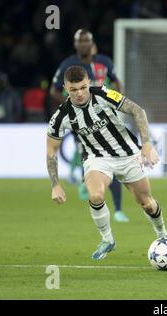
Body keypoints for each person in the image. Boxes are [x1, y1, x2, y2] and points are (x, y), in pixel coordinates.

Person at [47, 65, 167, 260]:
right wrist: (55, 185)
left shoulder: (103, 94)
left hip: (128, 155)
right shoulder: (61, 116)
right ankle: (107, 239)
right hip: (97, 159)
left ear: (89, 83)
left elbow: (138, 111)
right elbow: (52, 150)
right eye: (73, 90)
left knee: (146, 203)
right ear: (65, 88)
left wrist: (146, 144)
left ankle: (163, 235)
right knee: (95, 196)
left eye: (83, 87)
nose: (79, 93)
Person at [49, 29, 129, 223]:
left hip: (106, 119)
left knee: (113, 158)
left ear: (92, 43)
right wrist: (69, 107)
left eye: (87, 41)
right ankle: (86, 180)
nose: (84, 44)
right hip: (82, 120)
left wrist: (115, 103)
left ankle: (117, 208)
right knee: (95, 156)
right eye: (80, 41)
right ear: (76, 44)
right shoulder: (68, 64)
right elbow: (53, 90)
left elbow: (118, 83)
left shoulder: (104, 61)